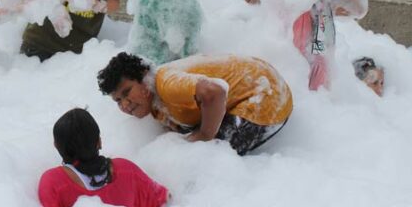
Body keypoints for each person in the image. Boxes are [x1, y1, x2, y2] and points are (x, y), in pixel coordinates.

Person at [97, 52, 293, 155]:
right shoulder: (155, 96)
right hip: (260, 81)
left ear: (143, 79)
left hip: (267, 96)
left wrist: (205, 135)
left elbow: (214, 92)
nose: (125, 104)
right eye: (117, 101)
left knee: (209, 154)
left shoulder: (167, 84)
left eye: (126, 92)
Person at [38, 108, 168, 207]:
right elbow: (164, 204)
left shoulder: (53, 183)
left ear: (56, 146)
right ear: (99, 142)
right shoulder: (127, 170)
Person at [293, 0, 368, 90]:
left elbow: (358, 10)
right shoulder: (303, 2)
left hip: (320, 70)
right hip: (306, 73)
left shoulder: (323, 0)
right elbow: (309, 49)